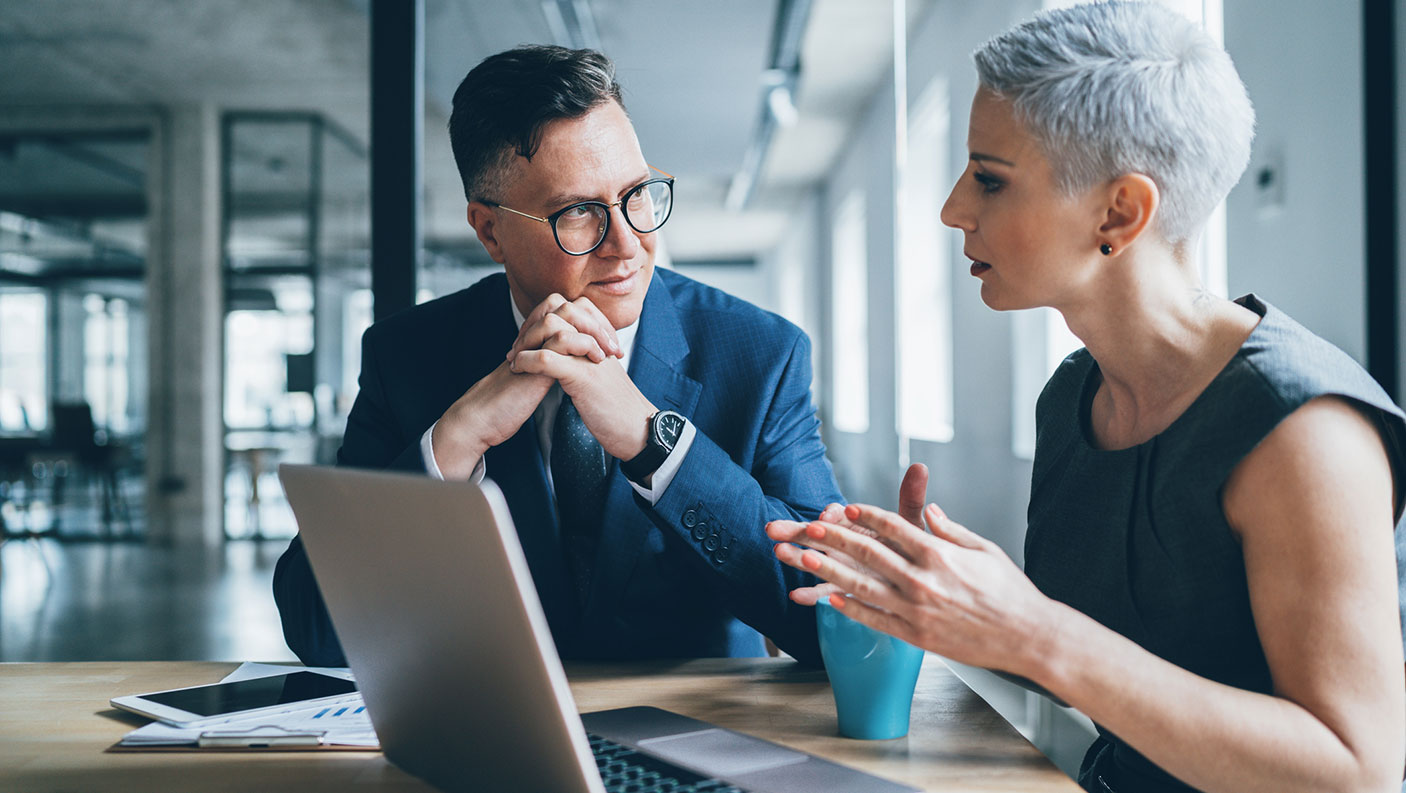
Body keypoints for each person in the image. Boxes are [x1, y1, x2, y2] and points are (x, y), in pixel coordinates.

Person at [768, 3, 1406, 792]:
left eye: (989, 178)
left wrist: (1029, 628)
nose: (952, 209)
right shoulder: (1073, 395)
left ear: (1120, 212)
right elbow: (1098, 672)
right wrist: (938, 595)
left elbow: (1357, 771)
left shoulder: (1306, 432)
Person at [275, 45, 841, 668]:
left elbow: (828, 619)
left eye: (638, 194)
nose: (628, 245)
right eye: (578, 213)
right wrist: (457, 440)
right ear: (489, 231)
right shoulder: (406, 356)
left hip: (702, 736)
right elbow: (315, 627)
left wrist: (658, 446)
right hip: (493, 736)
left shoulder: (762, 355)